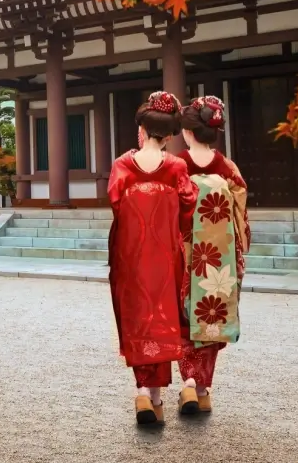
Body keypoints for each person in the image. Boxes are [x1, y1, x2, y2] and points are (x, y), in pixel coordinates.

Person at [107, 91, 198, 426]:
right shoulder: (175, 166)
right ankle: (188, 384)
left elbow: (117, 205)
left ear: (141, 129)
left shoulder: (121, 166)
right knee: (171, 313)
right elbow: (188, 207)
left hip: (132, 256)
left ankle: (147, 393)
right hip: (167, 255)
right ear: (171, 135)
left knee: (141, 317)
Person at [175, 95, 251, 415]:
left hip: (185, 253)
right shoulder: (227, 168)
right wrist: (239, 251)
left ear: (188, 132)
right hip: (219, 256)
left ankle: (190, 385)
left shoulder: (176, 165)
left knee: (184, 316)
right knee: (211, 317)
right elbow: (240, 214)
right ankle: (202, 388)